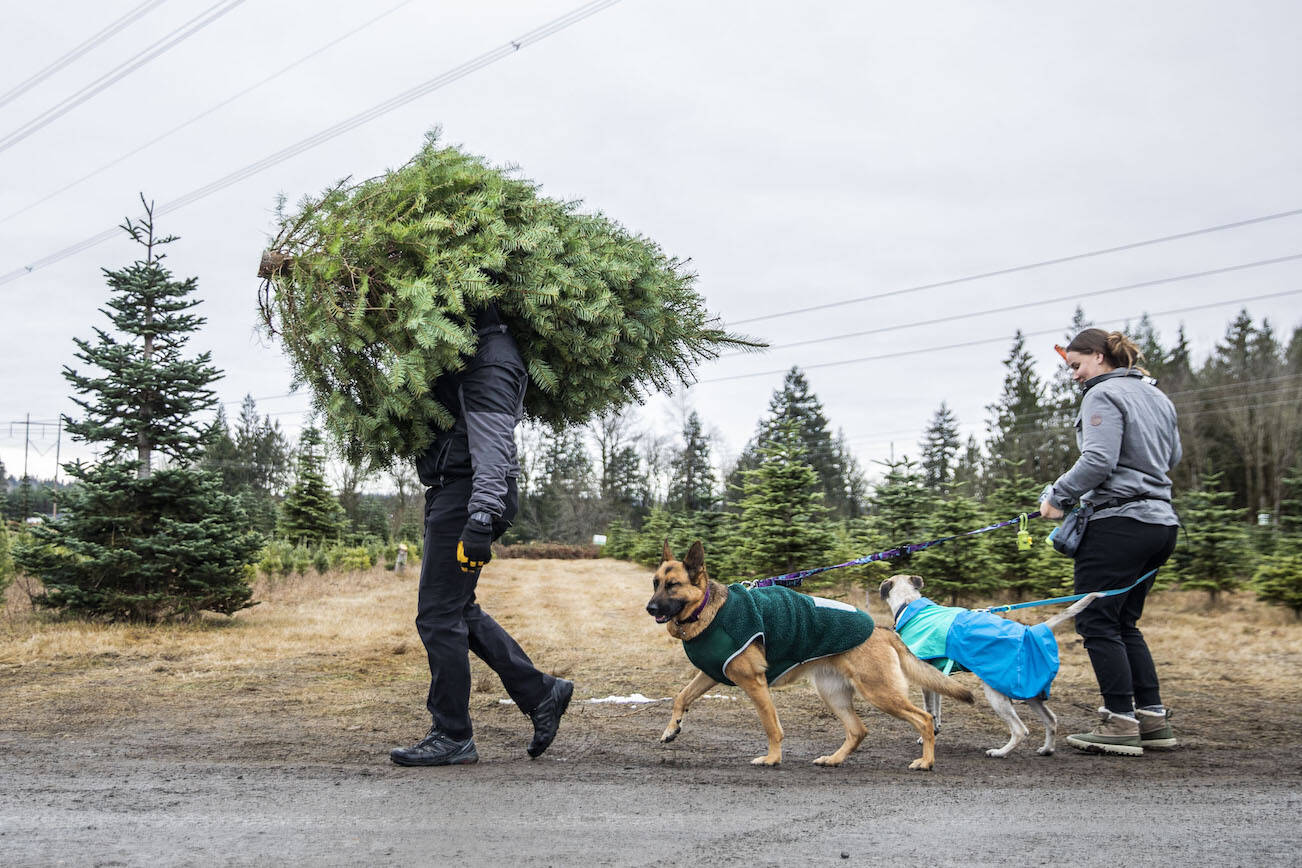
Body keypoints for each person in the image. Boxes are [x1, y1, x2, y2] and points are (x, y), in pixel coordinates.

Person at [390, 304, 573, 766]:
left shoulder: (490, 357)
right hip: (455, 492)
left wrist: (481, 518)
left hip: (470, 496)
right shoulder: (468, 350)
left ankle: (452, 735)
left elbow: (494, 445)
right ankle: (541, 693)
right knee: (458, 610)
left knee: (437, 617)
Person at [1038, 328, 1181, 756]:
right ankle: (1151, 719)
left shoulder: (1102, 394)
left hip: (1119, 523)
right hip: (1161, 523)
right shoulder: (1158, 396)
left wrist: (1058, 497)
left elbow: (1098, 459)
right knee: (1123, 623)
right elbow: (1171, 458)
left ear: (1099, 357)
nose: (1075, 376)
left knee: (1098, 622)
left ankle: (1120, 722)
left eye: (1076, 366)